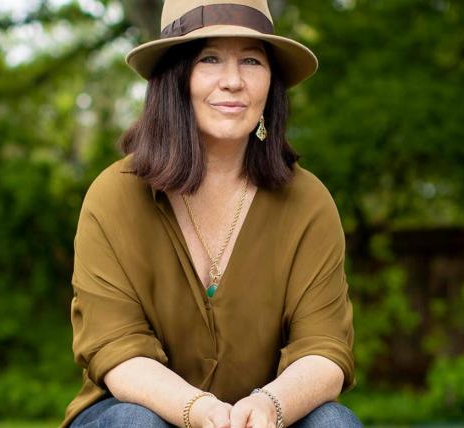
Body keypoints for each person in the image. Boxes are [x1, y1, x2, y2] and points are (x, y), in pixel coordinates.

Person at [63, 1, 361, 427]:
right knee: (135, 421)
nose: (234, 81)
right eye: (210, 59)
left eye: (252, 61)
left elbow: (325, 349)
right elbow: (117, 349)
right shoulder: (114, 196)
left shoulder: (308, 202)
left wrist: (269, 407)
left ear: (271, 82)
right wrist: (201, 412)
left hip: (263, 418)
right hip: (138, 410)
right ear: (175, 76)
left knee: (332, 421)